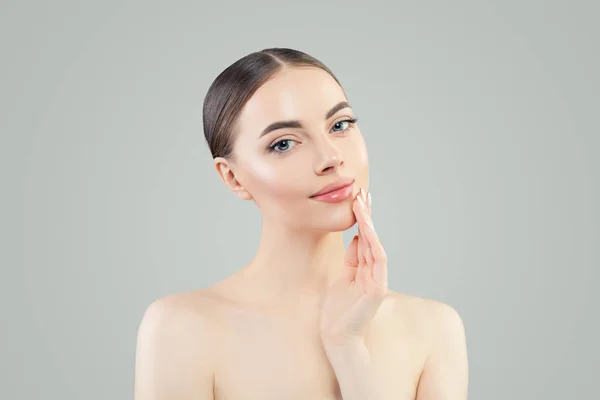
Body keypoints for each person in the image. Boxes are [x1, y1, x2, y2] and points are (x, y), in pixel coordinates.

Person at [133, 47, 469, 400]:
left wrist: (349, 350)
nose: (330, 158)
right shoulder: (181, 330)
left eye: (340, 125)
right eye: (283, 144)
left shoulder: (434, 330)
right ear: (233, 177)